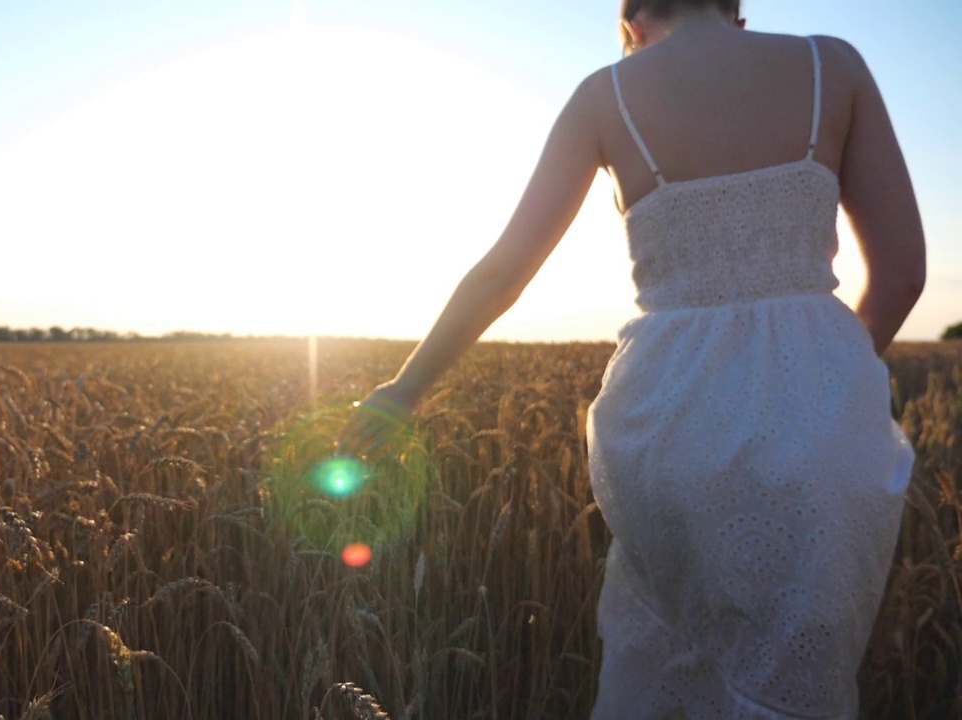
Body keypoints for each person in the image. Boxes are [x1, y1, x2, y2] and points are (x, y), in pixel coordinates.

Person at [337, 0, 926, 717]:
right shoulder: (832, 63)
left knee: (668, 662)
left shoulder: (605, 94)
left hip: (668, 419)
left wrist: (405, 389)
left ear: (635, 18)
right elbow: (901, 276)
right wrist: (818, 385)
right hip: (825, 429)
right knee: (790, 680)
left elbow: (504, 272)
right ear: (736, 10)